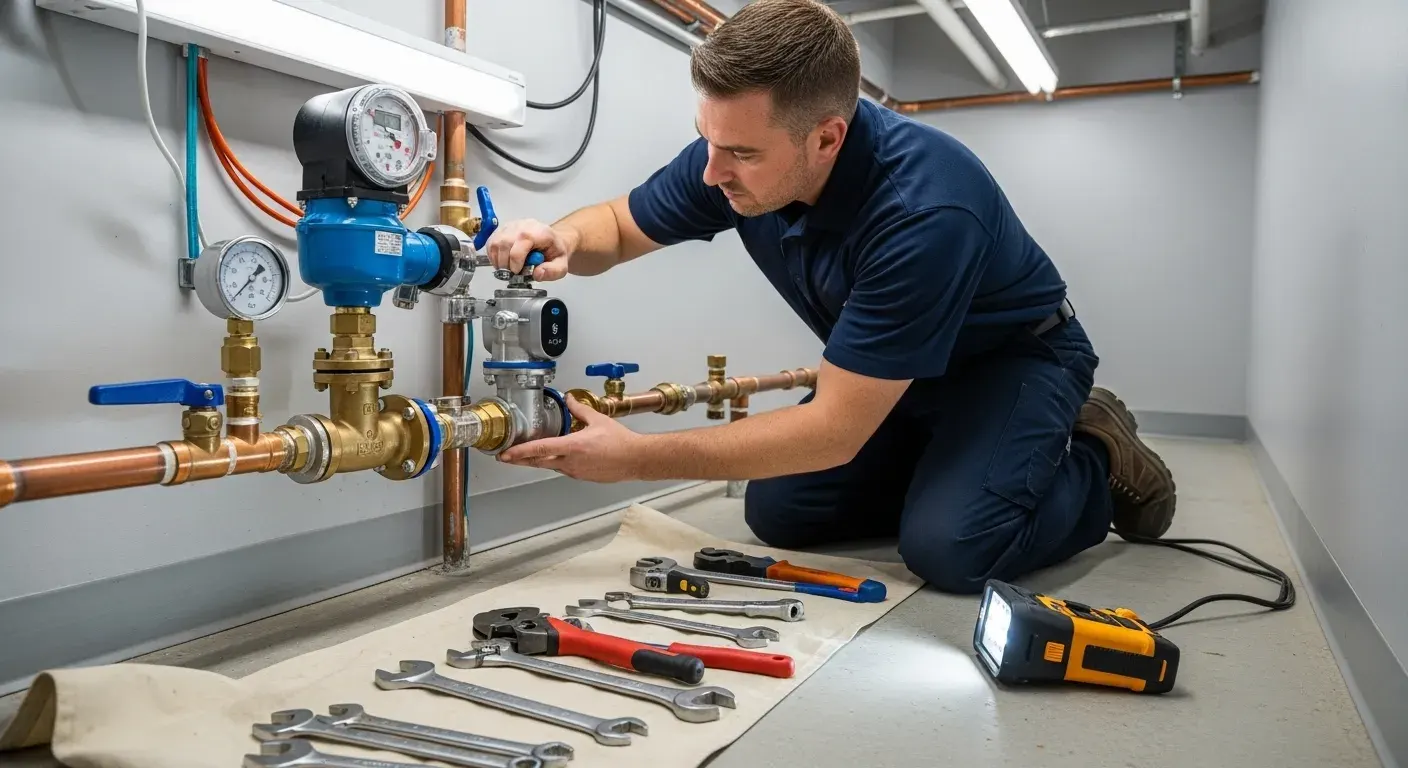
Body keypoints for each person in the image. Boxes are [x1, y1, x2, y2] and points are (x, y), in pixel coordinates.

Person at [485, 0, 1176, 593]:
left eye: (742, 154)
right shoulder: (732, 157)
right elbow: (616, 226)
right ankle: (961, 470)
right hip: (900, 380)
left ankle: (1096, 457)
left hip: (1012, 366)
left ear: (826, 137)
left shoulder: (924, 210)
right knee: (781, 513)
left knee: (954, 550)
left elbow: (834, 432)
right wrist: (561, 235)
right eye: (707, 141)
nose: (712, 172)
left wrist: (636, 457)